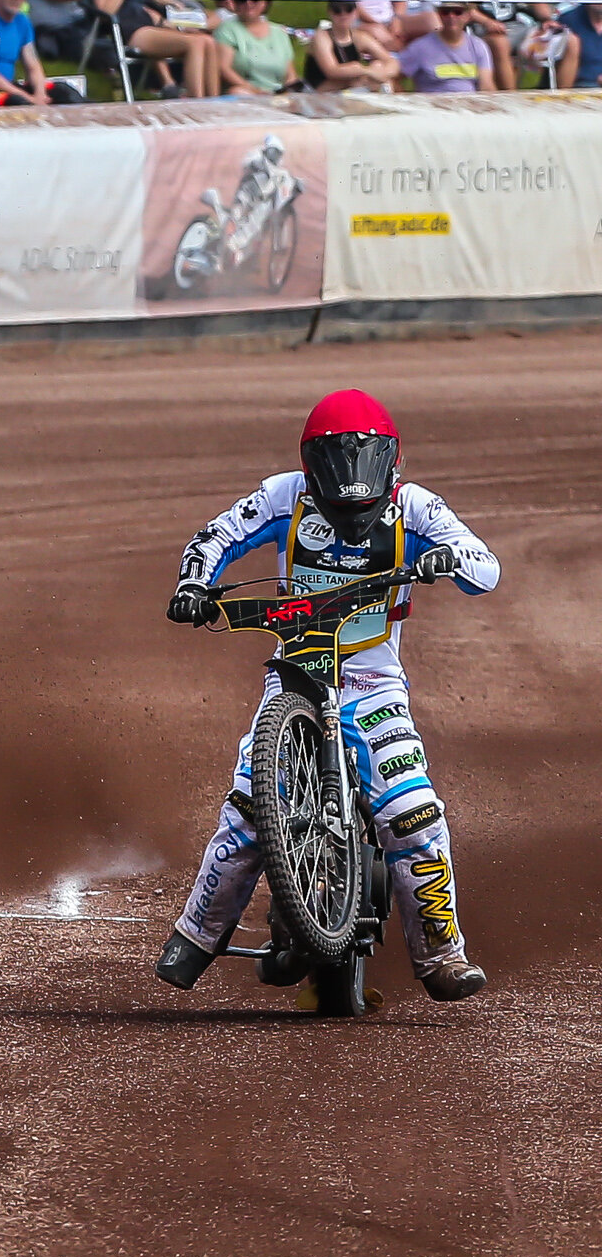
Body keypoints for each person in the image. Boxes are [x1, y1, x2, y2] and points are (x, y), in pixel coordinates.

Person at [155, 391, 495, 1003]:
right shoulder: (281, 496)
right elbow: (216, 536)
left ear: (390, 463)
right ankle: (197, 936)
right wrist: (193, 585)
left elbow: (485, 566)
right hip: (294, 675)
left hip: (373, 685)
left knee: (412, 813)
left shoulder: (417, 506)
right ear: (312, 469)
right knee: (250, 807)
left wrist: (448, 558)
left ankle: (443, 956)